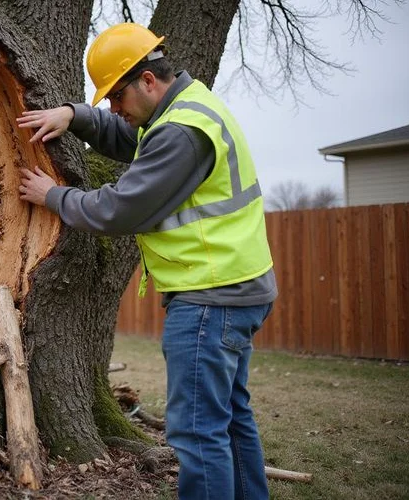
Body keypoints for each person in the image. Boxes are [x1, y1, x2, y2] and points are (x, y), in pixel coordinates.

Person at [16, 23, 277, 500]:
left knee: (197, 431)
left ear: (148, 81)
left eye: (116, 96)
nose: (113, 109)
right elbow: (126, 133)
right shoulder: (186, 107)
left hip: (209, 298)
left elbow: (120, 209)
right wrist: (75, 115)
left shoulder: (179, 132)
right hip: (236, 288)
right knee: (230, 419)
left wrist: (53, 195)